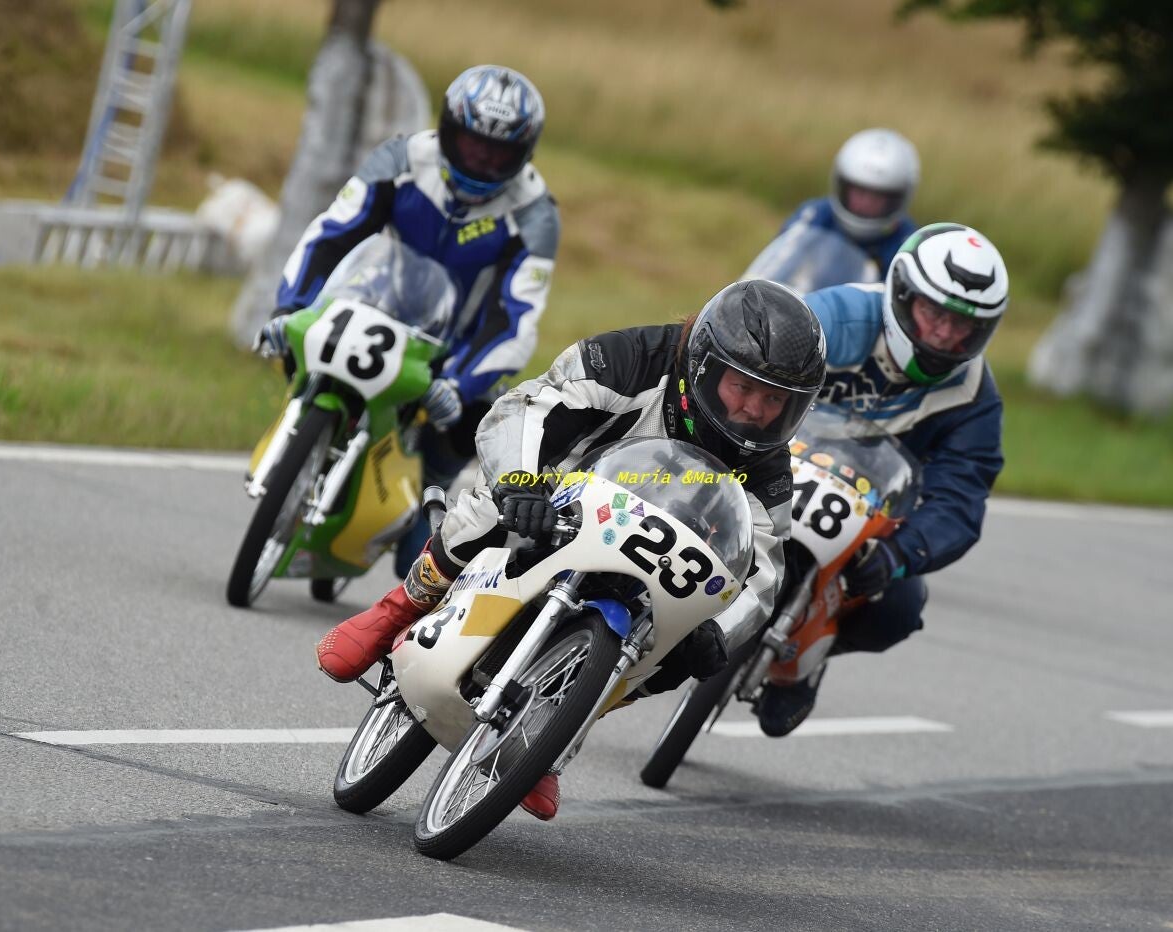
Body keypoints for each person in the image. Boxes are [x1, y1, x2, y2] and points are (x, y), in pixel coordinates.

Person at [317, 279, 828, 818]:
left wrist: (718, 632)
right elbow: (525, 408)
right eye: (743, 387)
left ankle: (555, 732)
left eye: (776, 400)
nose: (755, 409)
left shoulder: (768, 464)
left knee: (680, 652)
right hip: (560, 492)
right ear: (704, 364)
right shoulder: (631, 358)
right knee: (489, 508)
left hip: (656, 559)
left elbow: (765, 571)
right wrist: (519, 482)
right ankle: (399, 608)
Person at [255, 64, 560, 576]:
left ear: (524, 154)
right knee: (296, 344)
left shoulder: (535, 213)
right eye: (471, 144)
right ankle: (301, 438)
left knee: (467, 431)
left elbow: (516, 319)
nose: (480, 161)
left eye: (497, 153)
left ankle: (431, 499)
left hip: (457, 352)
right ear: (446, 129)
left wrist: (459, 383)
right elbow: (331, 234)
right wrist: (291, 308)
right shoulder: (400, 159)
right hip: (373, 305)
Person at [755, 222, 1008, 737]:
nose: (945, 335)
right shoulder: (831, 318)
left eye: (964, 325)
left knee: (899, 609)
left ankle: (808, 658)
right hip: (769, 464)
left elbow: (959, 500)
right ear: (903, 295)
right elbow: (752, 379)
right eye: (935, 313)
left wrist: (898, 555)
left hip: (868, 516)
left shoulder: (974, 397)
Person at [746, 128, 920, 289]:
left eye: (877, 197)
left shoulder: (908, 247)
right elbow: (778, 265)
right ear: (842, 185)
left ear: (897, 198)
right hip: (803, 307)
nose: (865, 203)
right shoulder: (815, 215)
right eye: (859, 192)